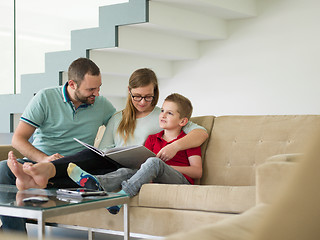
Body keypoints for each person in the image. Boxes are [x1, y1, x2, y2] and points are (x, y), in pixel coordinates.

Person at [7, 68, 208, 192]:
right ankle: (45, 174)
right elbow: (101, 151)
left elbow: (200, 133)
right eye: (137, 96)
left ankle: (46, 177)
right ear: (129, 92)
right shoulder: (116, 117)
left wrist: (175, 146)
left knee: (108, 173)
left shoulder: (165, 117)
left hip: (137, 171)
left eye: (148, 97)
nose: (142, 102)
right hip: (113, 165)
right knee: (91, 157)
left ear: (155, 93)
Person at [0, 57, 117, 233]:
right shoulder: (45, 98)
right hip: (39, 164)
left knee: (100, 163)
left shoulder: (102, 105)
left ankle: (37, 182)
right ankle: (15, 234)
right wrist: (45, 159)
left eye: (99, 87)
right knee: (2, 169)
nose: (97, 93)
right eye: (91, 89)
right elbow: (18, 139)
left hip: (74, 169)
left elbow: (125, 124)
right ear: (72, 84)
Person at [68, 93, 203, 214]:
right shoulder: (152, 139)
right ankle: (98, 182)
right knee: (129, 171)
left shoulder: (187, 141)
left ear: (183, 121)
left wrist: (163, 168)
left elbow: (197, 172)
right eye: (162, 111)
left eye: (170, 113)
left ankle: (122, 197)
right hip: (156, 179)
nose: (162, 115)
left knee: (154, 163)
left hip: (180, 181)